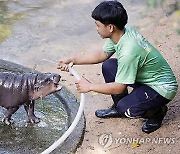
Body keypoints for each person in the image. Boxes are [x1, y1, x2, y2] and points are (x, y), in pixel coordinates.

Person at [57, 0, 178, 134]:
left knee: (126, 109)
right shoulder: (123, 31)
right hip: (146, 77)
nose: (96, 29)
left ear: (110, 27)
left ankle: (156, 112)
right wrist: (73, 59)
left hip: (162, 88)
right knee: (109, 65)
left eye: (97, 25)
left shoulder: (128, 51)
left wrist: (89, 86)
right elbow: (102, 54)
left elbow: (119, 87)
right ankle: (118, 107)